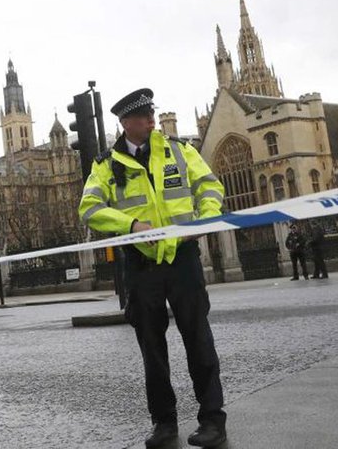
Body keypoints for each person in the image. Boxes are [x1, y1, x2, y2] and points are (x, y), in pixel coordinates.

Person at [78, 88, 227, 448]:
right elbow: (89, 209)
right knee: (152, 350)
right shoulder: (105, 165)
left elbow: (209, 187)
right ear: (126, 123)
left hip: (182, 258)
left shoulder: (179, 150)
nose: (151, 120)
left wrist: (205, 221)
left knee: (199, 341)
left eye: (151, 114)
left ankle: (212, 421)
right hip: (141, 265)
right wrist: (130, 225)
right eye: (143, 116)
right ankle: (164, 423)